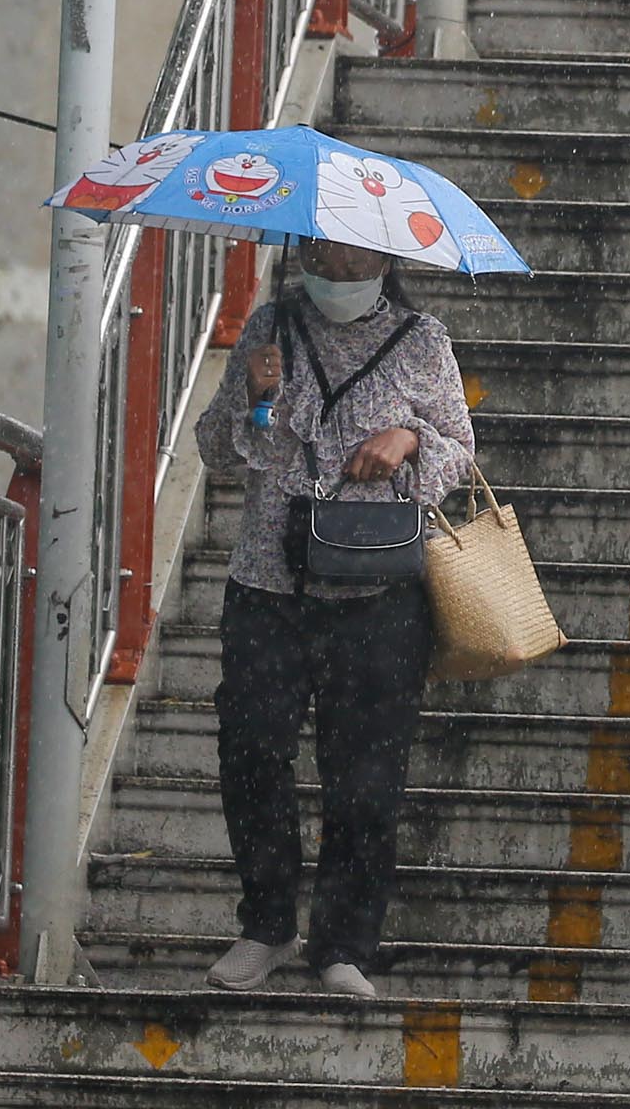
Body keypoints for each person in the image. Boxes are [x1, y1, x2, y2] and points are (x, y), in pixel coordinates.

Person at [192, 238, 476, 994]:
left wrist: (409, 438)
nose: (335, 274)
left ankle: (345, 944)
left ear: (383, 261)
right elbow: (216, 450)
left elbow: (462, 448)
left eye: (352, 262)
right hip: (268, 583)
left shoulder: (422, 342)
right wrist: (253, 395)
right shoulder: (269, 328)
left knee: (366, 777)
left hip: (378, 591)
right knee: (252, 752)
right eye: (321, 258)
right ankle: (267, 926)